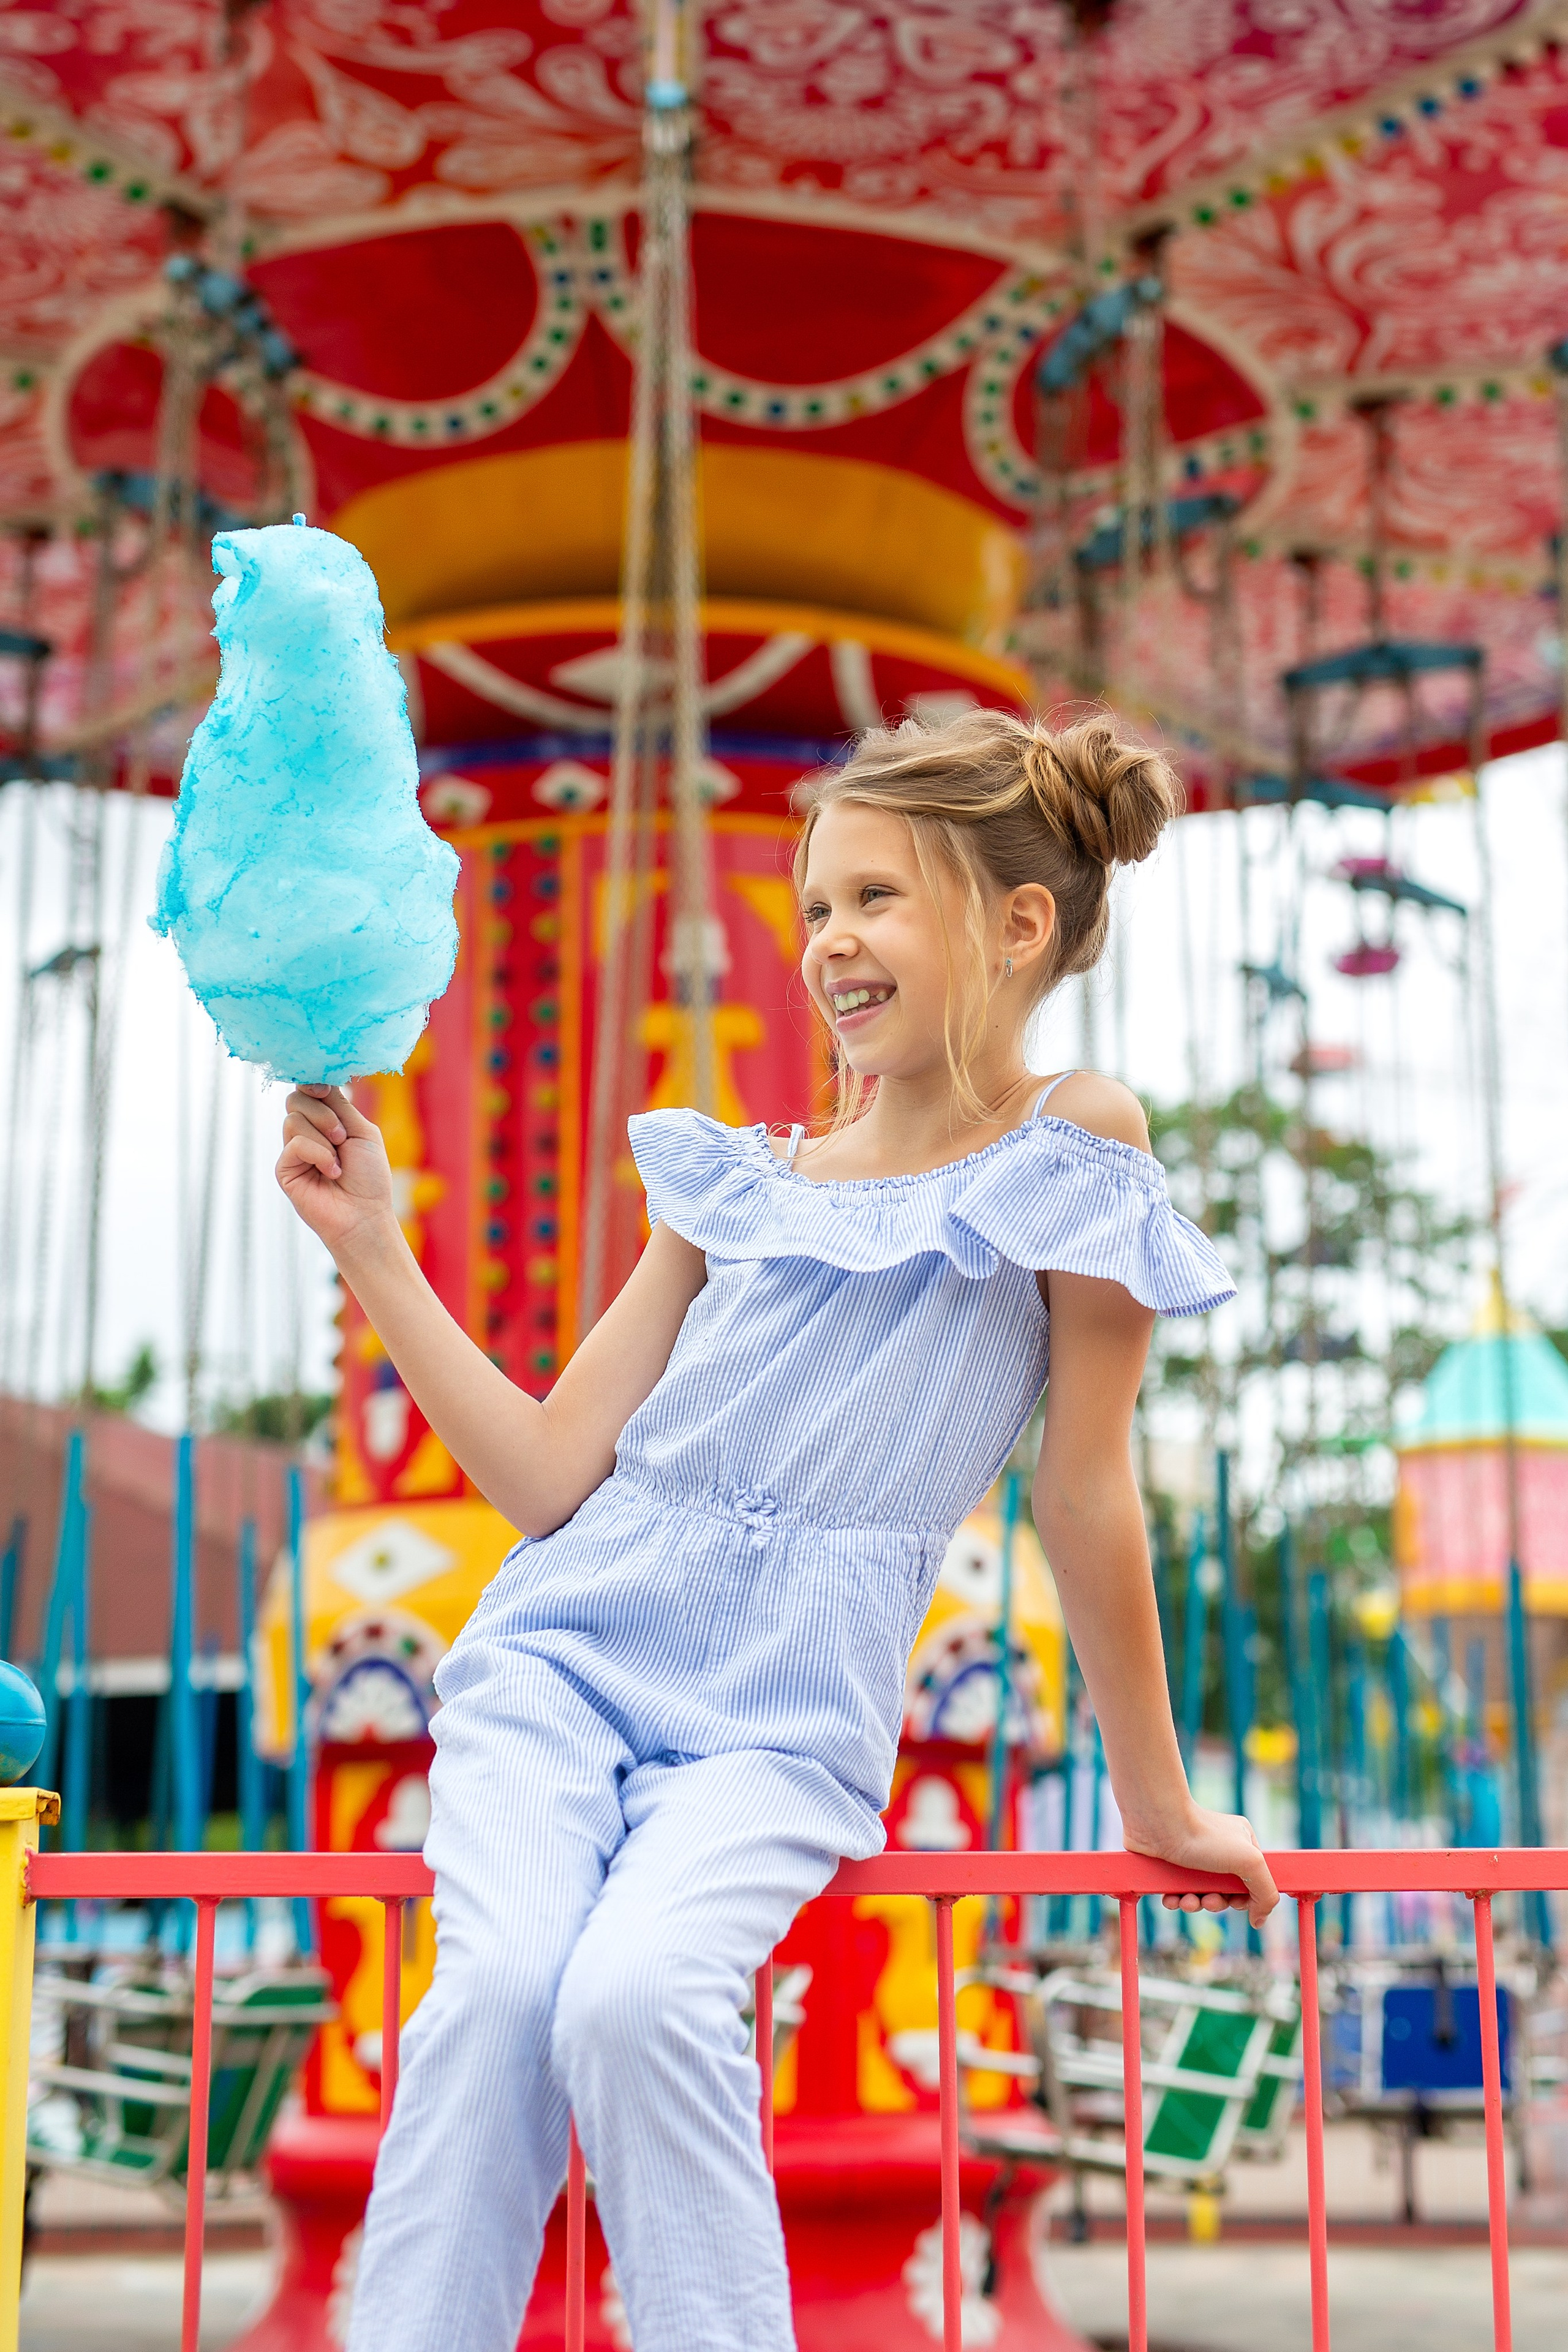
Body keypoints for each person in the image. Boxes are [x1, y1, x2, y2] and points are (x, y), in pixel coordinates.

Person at [277, 706, 1278, 2352]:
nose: (828, 944)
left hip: (780, 1711)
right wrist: (376, 1246)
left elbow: (1087, 1489)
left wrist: (1158, 1800)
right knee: (500, 2002)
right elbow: (544, 1475)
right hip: (566, 1656)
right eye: (817, 907)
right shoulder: (734, 1177)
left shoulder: (1073, 1141)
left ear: (1020, 923)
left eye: (876, 899)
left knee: (640, 1997)